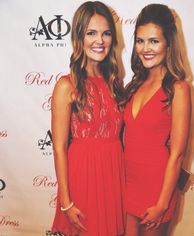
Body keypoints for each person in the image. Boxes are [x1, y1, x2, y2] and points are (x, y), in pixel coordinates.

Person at [49, 1, 125, 236]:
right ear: (78, 37)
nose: (99, 41)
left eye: (106, 33)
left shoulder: (115, 82)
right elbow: (59, 147)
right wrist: (66, 201)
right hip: (83, 179)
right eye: (91, 33)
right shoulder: (66, 85)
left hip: (113, 176)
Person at [123, 4, 191, 236]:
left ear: (168, 43)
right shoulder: (132, 86)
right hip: (128, 185)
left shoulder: (178, 89)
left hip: (158, 189)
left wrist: (162, 204)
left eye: (154, 41)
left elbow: (178, 154)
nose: (145, 48)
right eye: (140, 41)